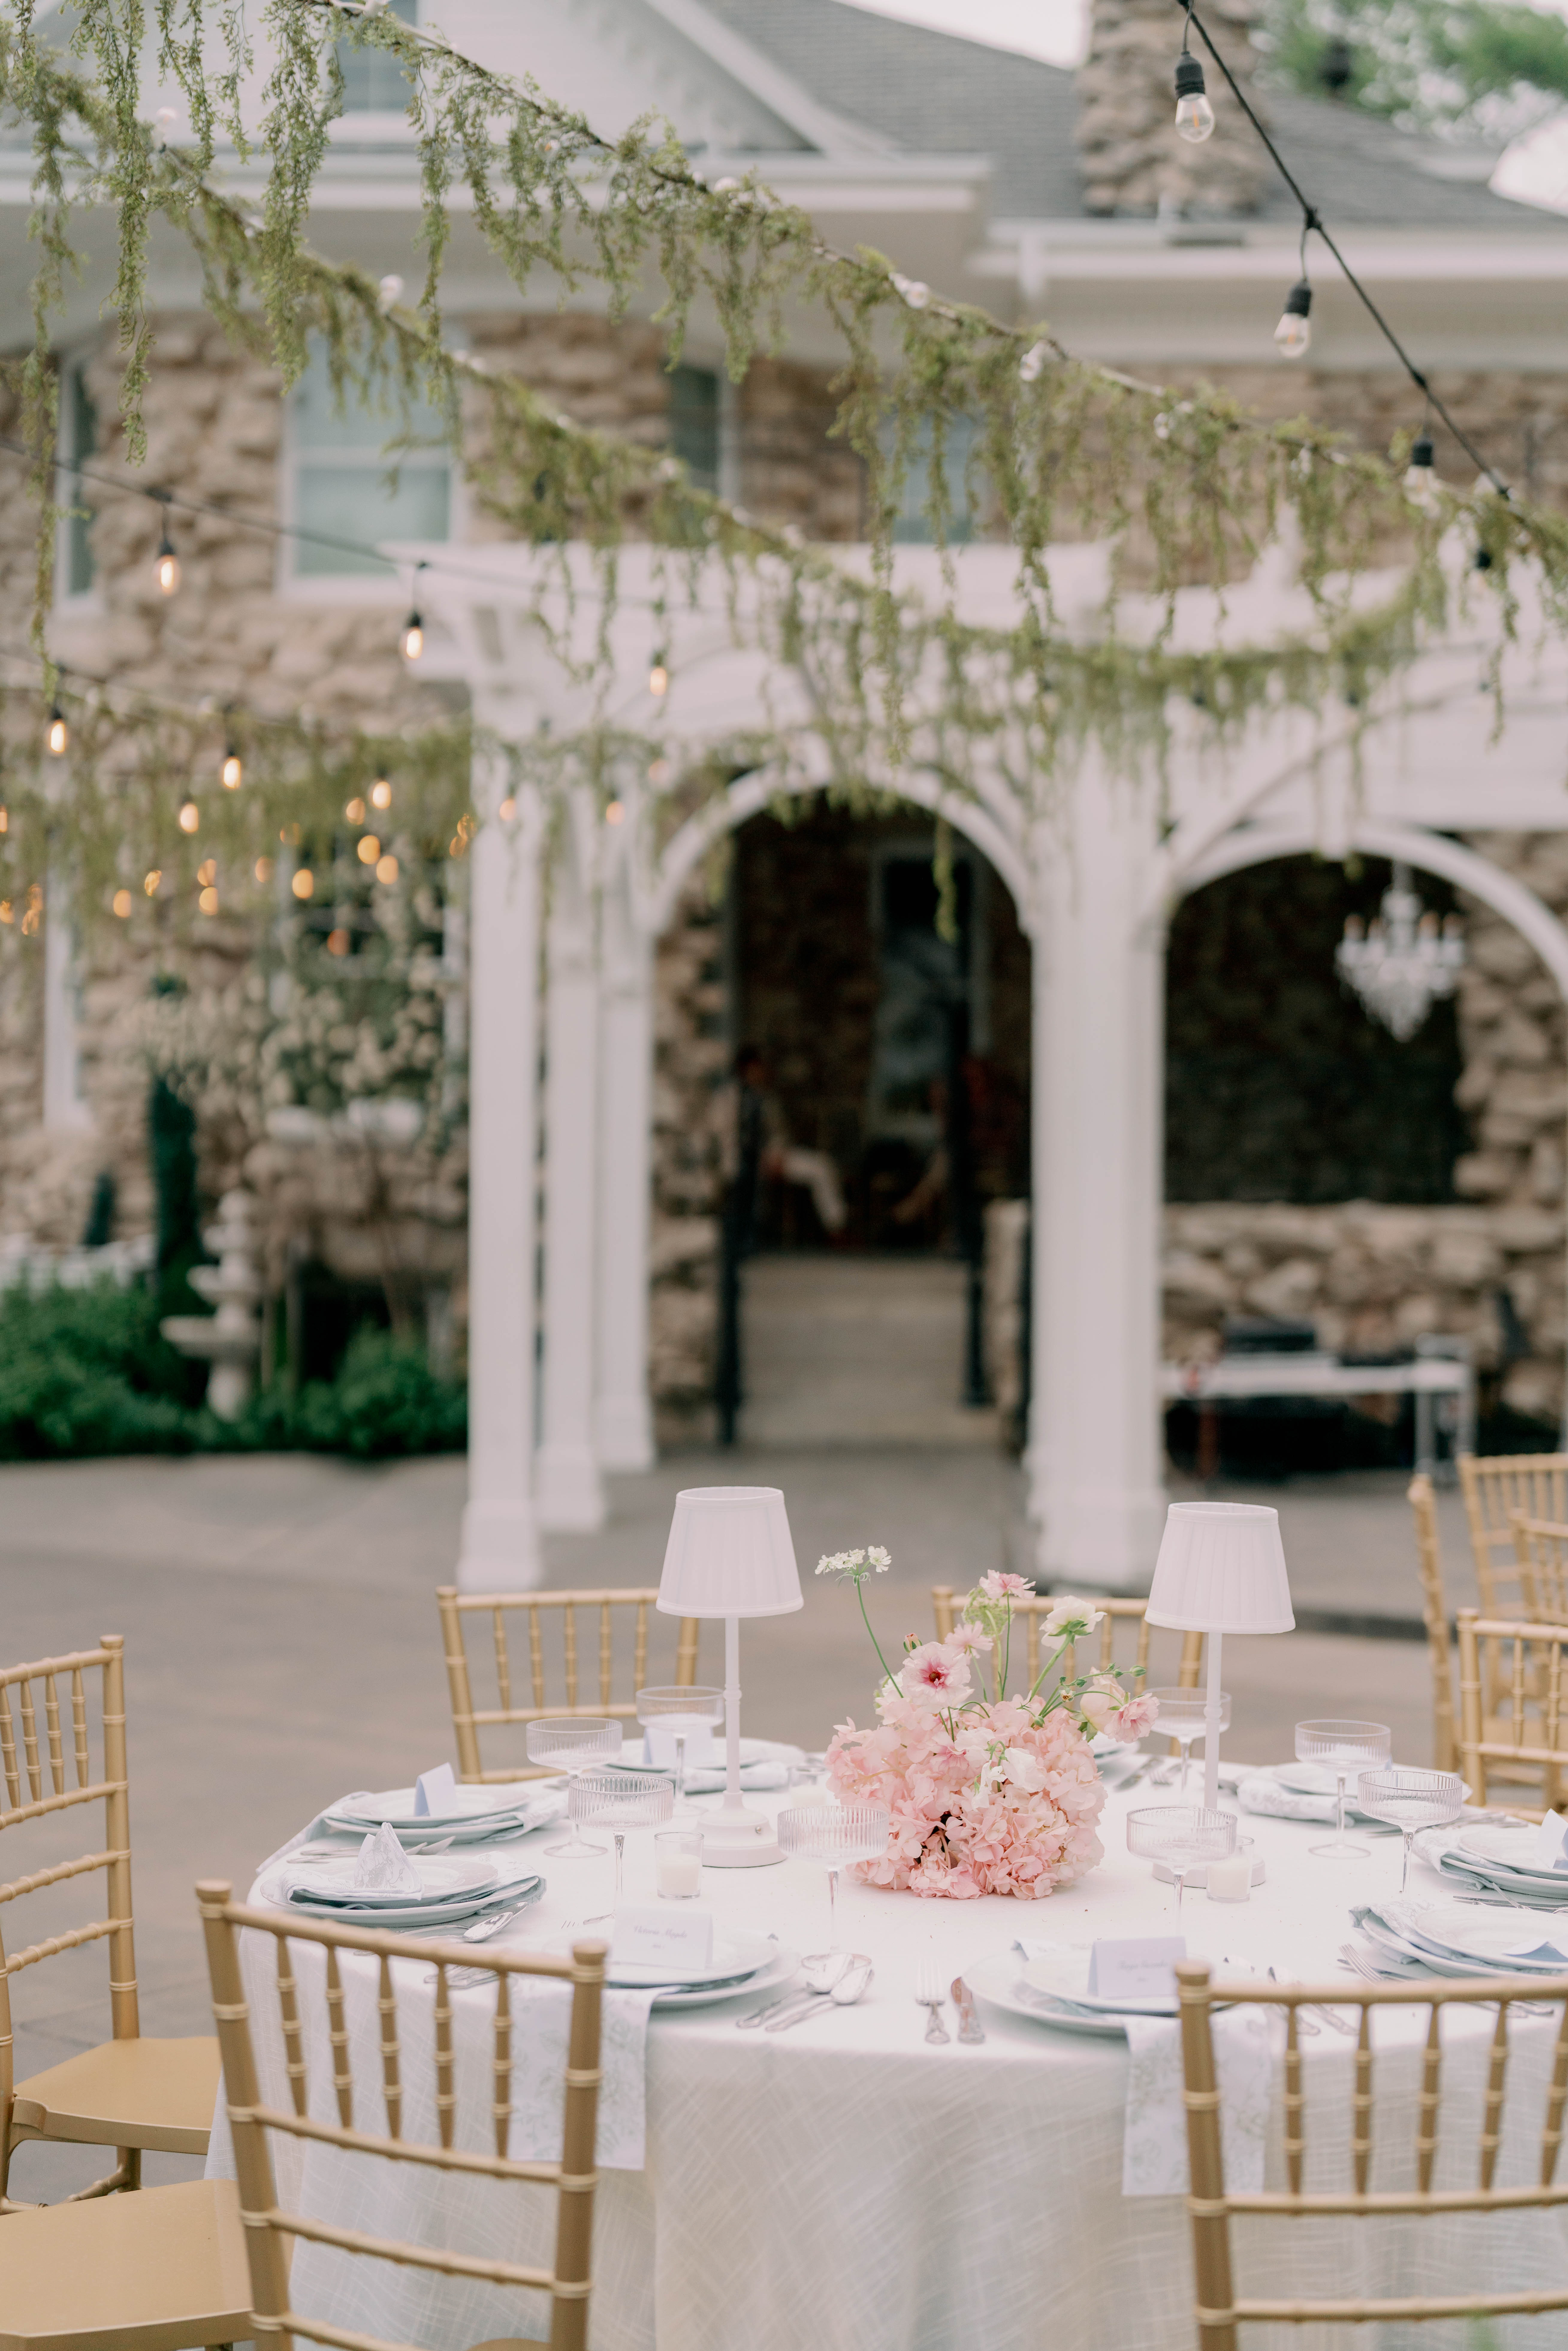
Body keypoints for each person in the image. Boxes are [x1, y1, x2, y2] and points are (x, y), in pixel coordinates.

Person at [708, 1045, 847, 1239]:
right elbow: (720, 1136)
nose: (759, 1073)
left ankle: (837, 1228)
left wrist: (776, 1154)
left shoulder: (764, 1098)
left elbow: (777, 1133)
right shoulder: (725, 1099)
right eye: (755, 1069)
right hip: (738, 1162)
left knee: (820, 1166)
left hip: (771, 1158)